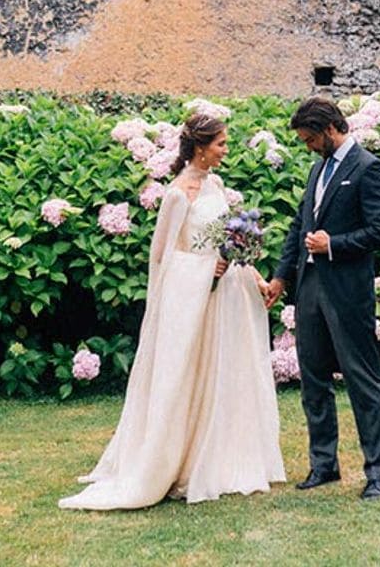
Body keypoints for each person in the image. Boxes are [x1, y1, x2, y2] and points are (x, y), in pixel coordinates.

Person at [59, 113, 285, 510]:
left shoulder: (216, 183)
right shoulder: (178, 194)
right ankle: (177, 463)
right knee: (190, 377)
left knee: (225, 375)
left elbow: (230, 241)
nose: (226, 150)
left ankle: (220, 458)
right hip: (196, 300)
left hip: (226, 296)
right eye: (221, 144)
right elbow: (163, 257)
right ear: (200, 148)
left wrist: (257, 277)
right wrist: (205, 269)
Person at [264, 96, 380, 500]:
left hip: (347, 293)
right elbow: (298, 228)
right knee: (313, 381)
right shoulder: (317, 170)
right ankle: (324, 465)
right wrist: (282, 277)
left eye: (309, 139)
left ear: (329, 130)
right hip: (309, 291)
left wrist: (333, 244)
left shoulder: (369, 169)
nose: (307, 146)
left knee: (362, 381)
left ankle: (378, 473)